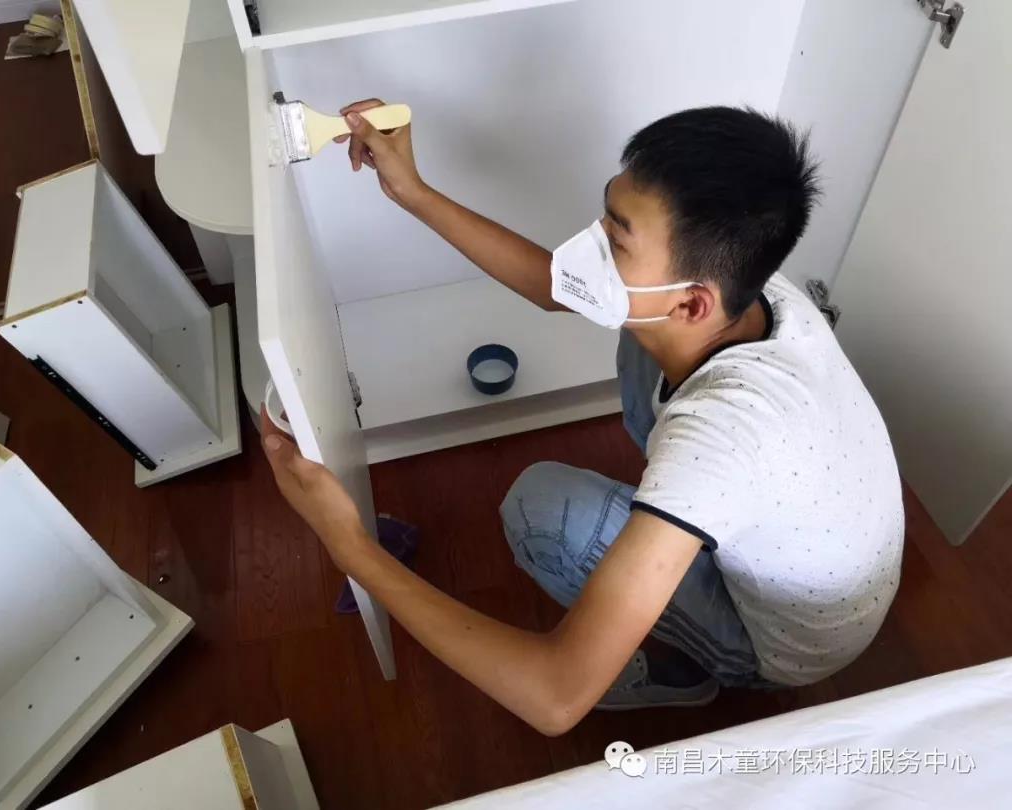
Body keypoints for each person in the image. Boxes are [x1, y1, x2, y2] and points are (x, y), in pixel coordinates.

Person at [260, 101, 904, 736]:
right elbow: (557, 287)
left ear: (692, 304)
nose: (589, 245)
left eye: (615, 239)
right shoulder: (739, 294)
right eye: (607, 213)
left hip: (780, 644)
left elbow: (554, 697)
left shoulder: (721, 437)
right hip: (798, 531)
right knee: (634, 333)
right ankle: (675, 536)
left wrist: (349, 545)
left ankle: (681, 673)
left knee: (541, 511)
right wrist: (412, 191)